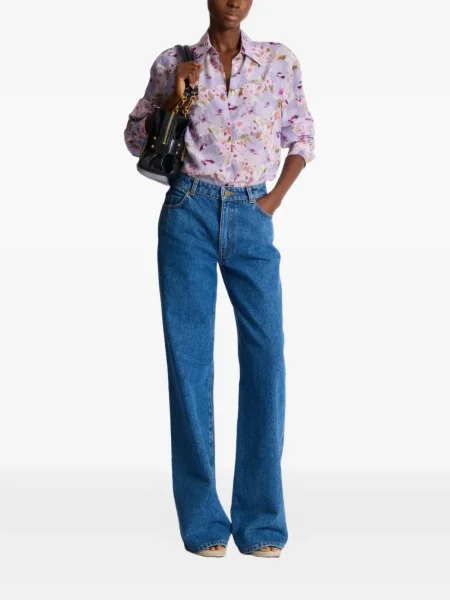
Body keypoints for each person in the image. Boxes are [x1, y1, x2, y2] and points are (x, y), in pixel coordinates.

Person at [124, 0, 315, 558]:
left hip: (253, 215)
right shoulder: (174, 61)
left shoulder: (279, 60)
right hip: (188, 211)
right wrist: (172, 96)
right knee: (190, 363)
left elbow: (303, 136)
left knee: (266, 359)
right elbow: (134, 138)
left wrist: (271, 202)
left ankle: (261, 521)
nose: (234, 0)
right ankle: (204, 521)